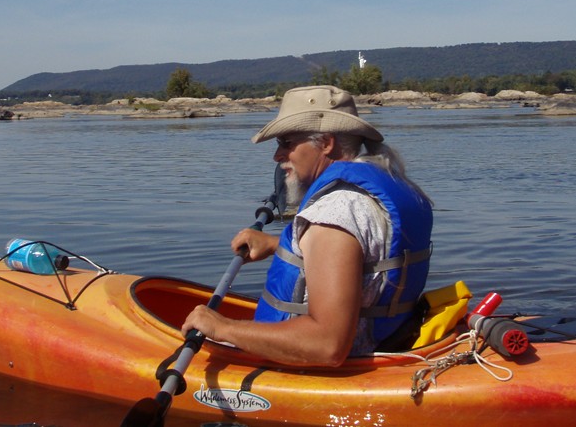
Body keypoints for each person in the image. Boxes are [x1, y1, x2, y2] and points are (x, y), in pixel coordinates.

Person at [182, 85, 433, 366]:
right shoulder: (381, 186)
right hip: (389, 340)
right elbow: (360, 254)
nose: (277, 156)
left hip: (336, 363)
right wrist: (277, 244)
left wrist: (221, 328)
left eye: (286, 143)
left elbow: (327, 345)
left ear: (326, 143)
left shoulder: (334, 213)